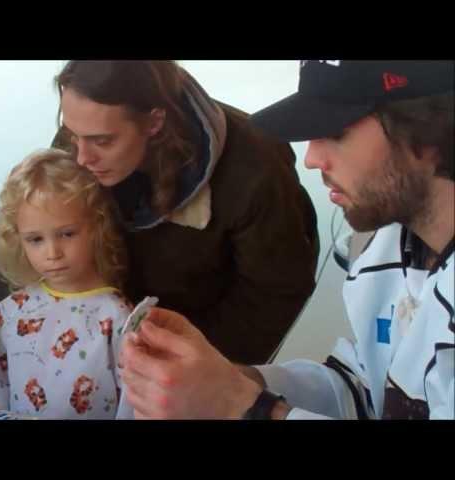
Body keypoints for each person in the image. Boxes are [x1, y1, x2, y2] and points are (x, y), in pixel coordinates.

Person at [119, 60, 454, 420]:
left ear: (426, 129)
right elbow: (365, 393)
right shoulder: (390, 247)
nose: (311, 158)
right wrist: (225, 379)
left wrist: (245, 407)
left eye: (336, 131)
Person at [53, 60, 319, 365]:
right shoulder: (83, 137)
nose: (82, 157)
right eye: (72, 134)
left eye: (103, 141)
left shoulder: (256, 169)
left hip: (213, 321)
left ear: (154, 122)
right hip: (115, 318)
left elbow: (272, 294)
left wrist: (197, 365)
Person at [0, 148, 134, 418]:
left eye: (67, 234)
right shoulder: (9, 311)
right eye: (35, 239)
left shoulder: (118, 317)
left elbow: (133, 406)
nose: (52, 253)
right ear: (17, 239)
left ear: (97, 227)